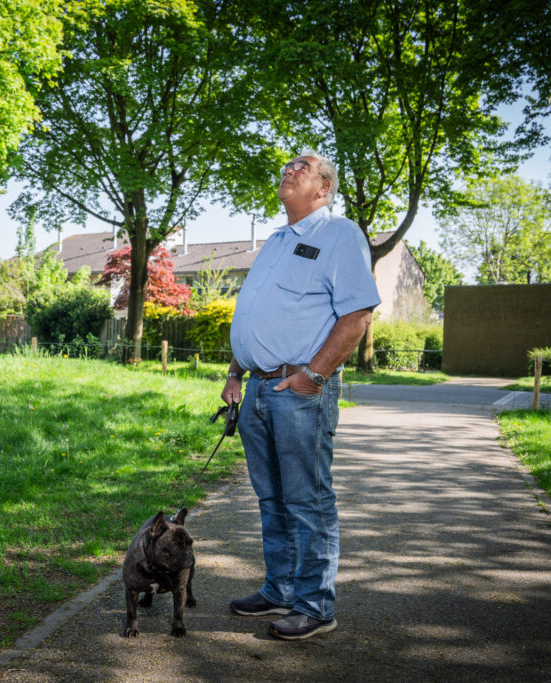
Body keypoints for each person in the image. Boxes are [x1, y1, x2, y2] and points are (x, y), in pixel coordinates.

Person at [221, 150, 380, 641]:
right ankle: (281, 589)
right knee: (271, 500)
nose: (289, 169)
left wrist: (314, 374)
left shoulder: (340, 235)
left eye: (302, 167)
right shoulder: (275, 240)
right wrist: (235, 371)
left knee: (307, 501)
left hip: (298, 391)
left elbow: (357, 316)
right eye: (287, 165)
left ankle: (315, 605)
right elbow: (253, 313)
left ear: (324, 188)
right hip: (256, 390)